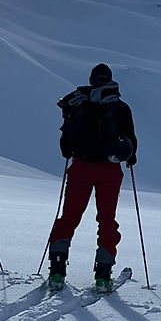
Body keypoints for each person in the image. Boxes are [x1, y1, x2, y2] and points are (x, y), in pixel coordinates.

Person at [48, 64, 137, 292]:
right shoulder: (121, 107)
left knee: (68, 217)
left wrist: (71, 150)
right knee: (107, 221)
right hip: (109, 169)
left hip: (81, 167)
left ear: (91, 80)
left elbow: (65, 143)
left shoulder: (79, 105)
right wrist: (129, 157)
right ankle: (103, 276)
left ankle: (57, 272)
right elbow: (131, 143)